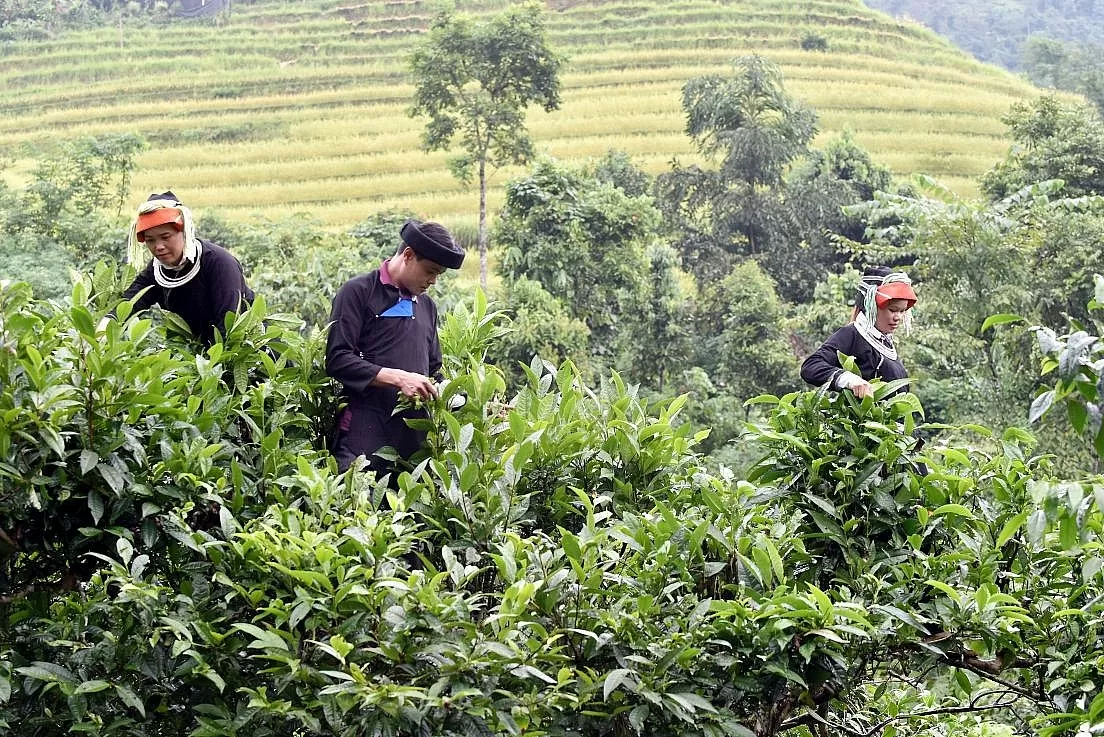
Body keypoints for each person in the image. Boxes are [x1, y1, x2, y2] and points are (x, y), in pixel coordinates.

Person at [325, 219, 465, 475]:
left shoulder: (427, 307)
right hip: (363, 442)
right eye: (430, 271)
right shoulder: (359, 292)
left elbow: (434, 372)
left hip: (414, 451)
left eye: (439, 275)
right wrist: (399, 378)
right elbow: (338, 359)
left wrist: (476, 405)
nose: (433, 281)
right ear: (408, 255)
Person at [120, 191, 254, 346]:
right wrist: (103, 327)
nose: (158, 246)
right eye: (150, 240)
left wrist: (209, 359)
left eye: (165, 237)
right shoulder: (157, 271)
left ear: (184, 232)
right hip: (195, 350)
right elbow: (129, 304)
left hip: (246, 349)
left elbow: (228, 324)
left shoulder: (219, 263)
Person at [800, 266, 917, 398]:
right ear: (871, 306)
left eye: (902, 311)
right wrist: (850, 381)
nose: (898, 317)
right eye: (893, 310)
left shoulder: (885, 343)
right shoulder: (852, 335)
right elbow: (811, 366)